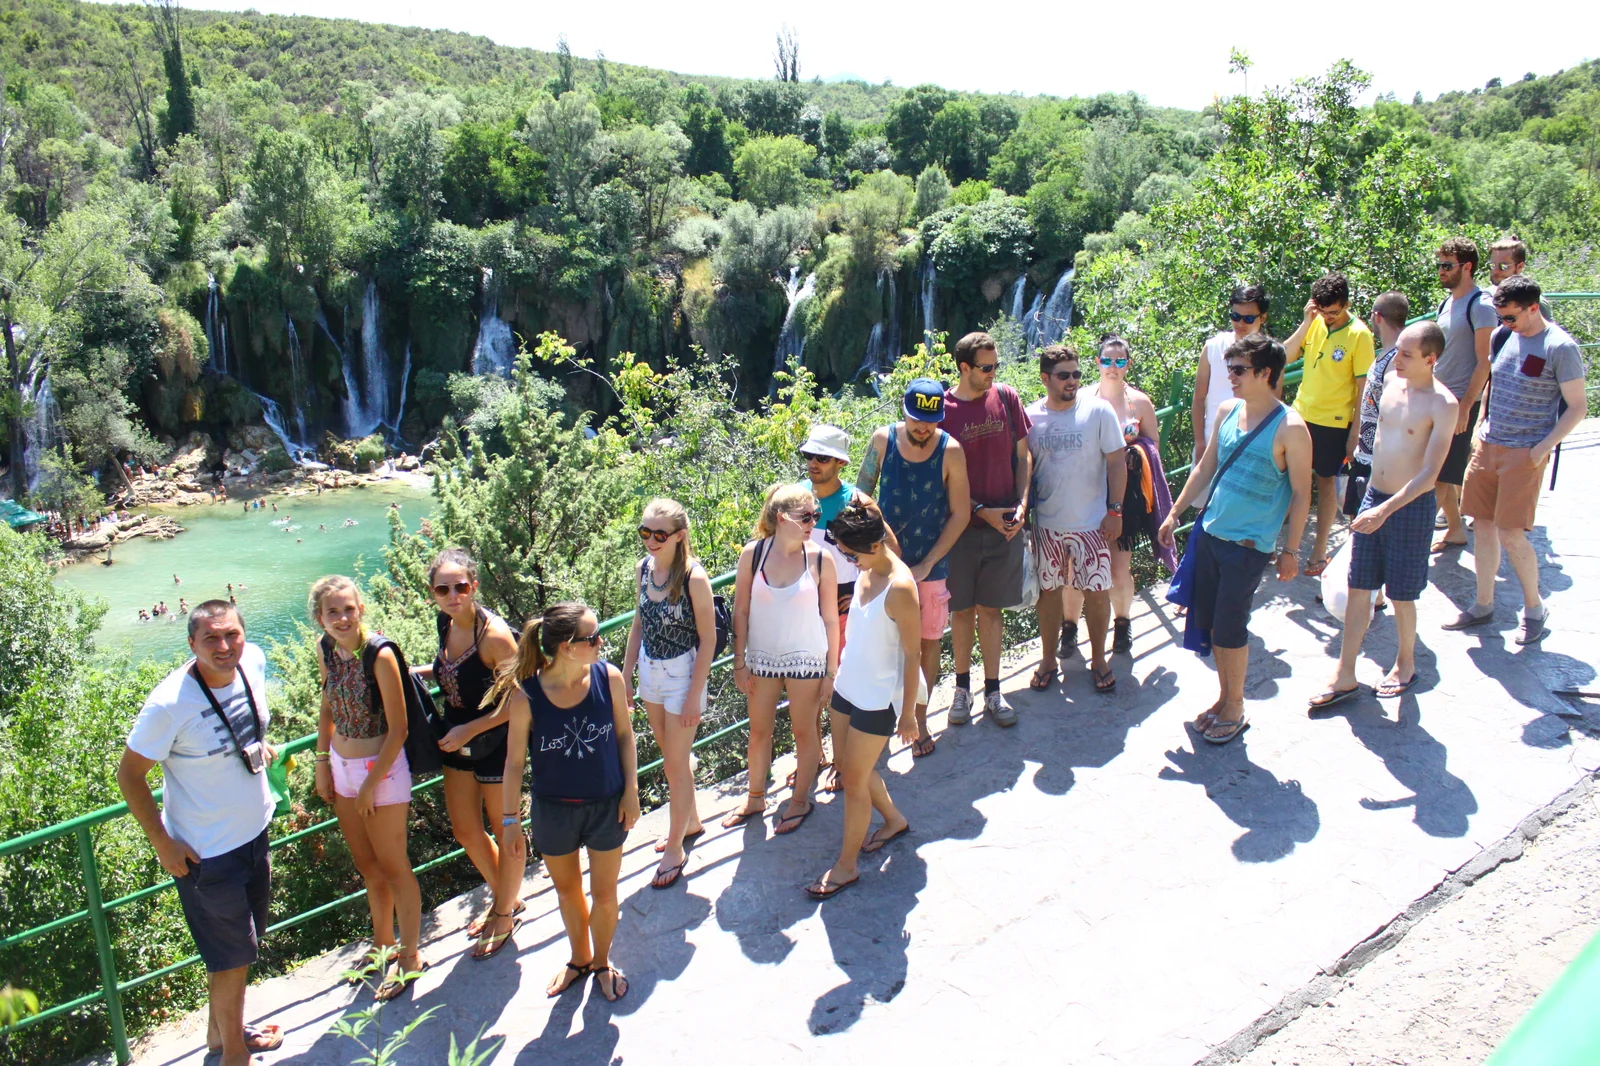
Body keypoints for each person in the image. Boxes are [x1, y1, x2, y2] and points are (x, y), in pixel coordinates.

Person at [118, 602, 283, 1064]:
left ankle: (220, 1036)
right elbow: (129, 776)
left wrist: (258, 744)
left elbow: (241, 726)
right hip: (206, 855)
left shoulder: (253, 663)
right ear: (191, 644)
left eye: (232, 634)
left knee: (240, 950)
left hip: (255, 834)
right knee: (231, 958)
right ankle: (234, 1053)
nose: (225, 646)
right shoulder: (169, 704)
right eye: (211, 638)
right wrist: (161, 842)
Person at [1159, 333, 1313, 744]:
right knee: (1211, 627)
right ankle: (1225, 700)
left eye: (1239, 370)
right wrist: (1174, 513)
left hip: (1247, 546)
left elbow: (1302, 493)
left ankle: (1237, 707)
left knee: (1231, 629)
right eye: (1229, 368)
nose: (1230, 377)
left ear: (1265, 374)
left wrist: (1291, 550)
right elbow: (1205, 466)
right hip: (1211, 533)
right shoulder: (1228, 410)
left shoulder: (1291, 428)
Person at [492, 602, 640, 1002]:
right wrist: (510, 822)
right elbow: (514, 763)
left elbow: (626, 737)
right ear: (566, 647)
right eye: (592, 638)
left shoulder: (608, 678)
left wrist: (632, 791)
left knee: (606, 893)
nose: (600, 643)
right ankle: (580, 959)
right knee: (568, 891)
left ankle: (603, 962)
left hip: (607, 804)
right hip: (553, 810)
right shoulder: (527, 696)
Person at [1312, 322, 1457, 709]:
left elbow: (1430, 475)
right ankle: (1345, 673)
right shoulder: (1392, 383)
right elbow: (1372, 437)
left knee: (1401, 594)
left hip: (1408, 505)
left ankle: (1405, 665)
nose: (1397, 359)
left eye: (1407, 354)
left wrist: (1385, 510)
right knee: (1360, 586)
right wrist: (1367, 496)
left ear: (1431, 359)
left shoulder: (1443, 404)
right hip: (1374, 495)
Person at [1445, 275, 1588, 643]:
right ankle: (1483, 604)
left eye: (1510, 317)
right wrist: (1480, 428)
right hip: (1489, 445)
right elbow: (1494, 382)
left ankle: (1534, 609)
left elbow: (1577, 408)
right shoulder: (1502, 336)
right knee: (1483, 526)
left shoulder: (1561, 347)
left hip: (1525, 452)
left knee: (1511, 533)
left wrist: (1542, 449)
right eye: (1500, 317)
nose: (1503, 324)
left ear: (1533, 308)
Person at [309, 575, 424, 1000]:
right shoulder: (327, 650)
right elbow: (328, 706)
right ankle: (382, 947)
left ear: (361, 610)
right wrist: (323, 762)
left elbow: (399, 730)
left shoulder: (379, 654)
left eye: (348, 609)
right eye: (332, 612)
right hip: (343, 768)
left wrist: (369, 785)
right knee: (368, 866)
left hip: (383, 770)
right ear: (319, 618)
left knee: (394, 866)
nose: (341, 618)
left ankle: (411, 957)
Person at [806, 501, 922, 899]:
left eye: (852, 555)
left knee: (854, 780)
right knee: (846, 766)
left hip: (877, 698)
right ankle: (893, 820)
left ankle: (846, 866)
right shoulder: (868, 566)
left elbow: (913, 654)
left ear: (873, 547)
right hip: (848, 685)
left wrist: (907, 714)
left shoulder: (902, 588)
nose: (849, 562)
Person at [407, 549, 519, 957]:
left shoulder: (494, 636)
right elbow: (450, 669)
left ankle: (504, 912)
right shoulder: (446, 624)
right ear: (433, 594)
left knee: (505, 829)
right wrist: (413, 672)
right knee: (466, 830)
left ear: (474, 586)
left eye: (461, 587)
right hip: (457, 737)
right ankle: (506, 896)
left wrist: (473, 727)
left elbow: (519, 700)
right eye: (443, 588)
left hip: (494, 741)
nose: (453, 595)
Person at [856, 378, 971, 758]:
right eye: (916, 419)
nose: (923, 428)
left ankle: (920, 721)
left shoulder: (950, 451)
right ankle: (878, 727)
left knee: (925, 646)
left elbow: (961, 514)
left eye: (930, 421)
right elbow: (860, 496)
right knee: (877, 646)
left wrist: (926, 564)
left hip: (930, 568)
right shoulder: (882, 441)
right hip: (881, 567)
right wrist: (883, 545)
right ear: (903, 413)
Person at [725, 484, 840, 833]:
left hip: (807, 658)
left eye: (815, 516)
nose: (812, 523)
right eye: (805, 517)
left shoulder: (821, 557)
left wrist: (831, 672)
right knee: (759, 732)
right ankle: (755, 796)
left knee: (805, 732)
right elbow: (740, 611)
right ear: (781, 518)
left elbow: (831, 618)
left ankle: (801, 799)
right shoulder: (754, 554)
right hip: (761, 658)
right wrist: (739, 661)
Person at [797, 424, 899, 788]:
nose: (813, 464)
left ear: (839, 463)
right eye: (808, 456)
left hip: (845, 604)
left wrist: (860, 589)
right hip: (806, 605)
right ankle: (815, 754)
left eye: (822, 458)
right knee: (808, 683)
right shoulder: (798, 501)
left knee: (845, 683)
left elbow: (890, 555)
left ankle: (851, 757)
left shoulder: (857, 503)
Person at [622, 499, 715, 889]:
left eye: (660, 534)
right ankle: (690, 821)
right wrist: (625, 675)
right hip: (650, 671)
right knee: (671, 758)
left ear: (679, 536)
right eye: (645, 532)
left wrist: (695, 694)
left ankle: (676, 846)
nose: (651, 541)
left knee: (675, 766)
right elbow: (638, 625)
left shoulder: (693, 577)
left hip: (682, 674)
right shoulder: (644, 570)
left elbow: (708, 639)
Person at [942, 331, 1032, 727]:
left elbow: (1023, 455)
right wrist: (981, 510)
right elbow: (939, 477)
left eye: (996, 365)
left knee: (991, 610)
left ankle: (993, 692)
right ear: (965, 368)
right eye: (987, 367)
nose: (994, 373)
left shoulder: (1007, 397)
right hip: (960, 529)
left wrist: (1023, 503)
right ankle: (961, 690)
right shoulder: (943, 411)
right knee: (961, 612)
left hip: (1005, 527)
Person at [1026, 344, 1127, 694]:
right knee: (1049, 593)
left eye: (1076, 374)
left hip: (1092, 524)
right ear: (1045, 378)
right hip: (1047, 526)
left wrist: (1115, 510)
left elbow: (1117, 461)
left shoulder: (1099, 411)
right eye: (1063, 375)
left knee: (1097, 593)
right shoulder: (1031, 417)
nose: (1072, 381)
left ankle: (1099, 659)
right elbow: (1024, 470)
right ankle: (1048, 659)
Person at [1079, 335, 1173, 654]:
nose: (1113, 367)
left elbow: (1154, 446)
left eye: (1120, 361)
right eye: (1107, 360)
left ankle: (1122, 622)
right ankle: (1072, 628)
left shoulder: (1140, 402)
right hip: (1087, 492)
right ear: (1098, 363)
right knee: (1081, 566)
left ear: (1128, 364)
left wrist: (1135, 453)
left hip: (1126, 495)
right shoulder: (1082, 398)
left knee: (1119, 569)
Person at [1284, 272, 1374, 576]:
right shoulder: (1316, 322)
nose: (1329, 317)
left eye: (1333, 312)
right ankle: (1276, 546)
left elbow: (1364, 391)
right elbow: (1284, 357)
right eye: (1323, 311)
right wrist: (1308, 321)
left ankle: (1320, 551)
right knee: (1285, 480)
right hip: (1300, 414)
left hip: (1334, 423)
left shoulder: (1360, 335)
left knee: (1325, 484)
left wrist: (1355, 433)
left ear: (1346, 304)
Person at [1430, 237, 1497, 552]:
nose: (1441, 271)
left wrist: (1467, 406)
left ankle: (1433, 529)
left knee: (1439, 474)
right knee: (1440, 471)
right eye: (1440, 265)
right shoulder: (1446, 304)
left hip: (1459, 401)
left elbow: (1485, 361)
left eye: (1447, 266)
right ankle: (1455, 527)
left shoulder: (1481, 305)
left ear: (1466, 267)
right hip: (1438, 399)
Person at [1193, 283, 1270, 463]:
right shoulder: (1213, 346)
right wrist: (1200, 443)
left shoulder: (1269, 355)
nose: (1240, 323)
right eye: (1235, 316)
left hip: (1251, 443)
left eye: (1248, 319)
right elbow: (1198, 399)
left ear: (1263, 317)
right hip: (1212, 441)